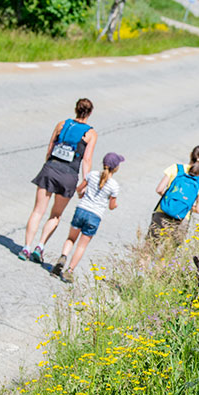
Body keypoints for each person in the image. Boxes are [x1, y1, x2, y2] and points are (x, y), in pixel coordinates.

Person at [19, 98, 97, 263]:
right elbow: (87, 160)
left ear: (76, 109)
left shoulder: (62, 124)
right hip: (69, 176)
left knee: (38, 211)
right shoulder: (90, 134)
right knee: (55, 215)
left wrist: (48, 165)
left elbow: (50, 148)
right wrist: (85, 182)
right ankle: (40, 246)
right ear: (90, 113)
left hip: (50, 169)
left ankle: (26, 247)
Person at [44, 152, 123, 283]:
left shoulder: (91, 175)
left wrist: (81, 194)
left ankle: (63, 257)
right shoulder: (114, 186)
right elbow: (111, 206)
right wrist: (115, 205)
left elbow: (79, 189)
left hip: (81, 210)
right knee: (81, 246)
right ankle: (69, 271)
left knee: (71, 238)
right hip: (95, 216)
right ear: (115, 168)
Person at [150, 146, 199, 246]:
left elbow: (159, 189)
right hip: (181, 220)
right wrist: (185, 206)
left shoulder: (176, 169)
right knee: (168, 255)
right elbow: (198, 209)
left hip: (162, 212)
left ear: (191, 154)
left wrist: (170, 199)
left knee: (149, 249)